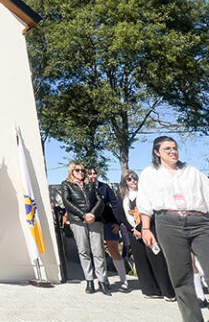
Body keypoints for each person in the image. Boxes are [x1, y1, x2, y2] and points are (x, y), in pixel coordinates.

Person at [139, 136, 209, 322]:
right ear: (157, 152)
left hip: (199, 222)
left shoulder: (192, 172)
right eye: (167, 148)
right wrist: (146, 228)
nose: (173, 151)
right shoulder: (149, 173)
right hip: (168, 223)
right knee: (181, 277)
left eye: (175, 148)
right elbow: (144, 203)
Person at [117, 169, 175, 301]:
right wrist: (132, 229)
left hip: (149, 229)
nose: (133, 181)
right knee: (141, 260)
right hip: (133, 233)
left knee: (157, 258)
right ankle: (149, 290)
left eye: (135, 178)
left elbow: (150, 211)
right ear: (124, 182)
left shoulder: (145, 193)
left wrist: (140, 228)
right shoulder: (122, 197)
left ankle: (167, 291)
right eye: (130, 179)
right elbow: (120, 214)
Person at [60, 161, 110, 295]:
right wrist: (83, 214)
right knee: (84, 250)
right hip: (78, 221)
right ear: (71, 171)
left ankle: (102, 280)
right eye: (77, 170)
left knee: (98, 250)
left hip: (95, 220)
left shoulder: (91, 185)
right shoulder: (67, 185)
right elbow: (67, 201)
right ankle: (89, 280)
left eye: (83, 170)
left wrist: (92, 214)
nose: (81, 173)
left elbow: (100, 201)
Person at [86, 167, 129, 291]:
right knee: (97, 251)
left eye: (95, 173)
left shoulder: (105, 188)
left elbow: (115, 205)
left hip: (109, 223)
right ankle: (103, 280)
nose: (93, 175)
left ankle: (123, 280)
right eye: (90, 173)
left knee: (113, 249)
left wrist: (117, 222)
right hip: (94, 224)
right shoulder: (84, 189)